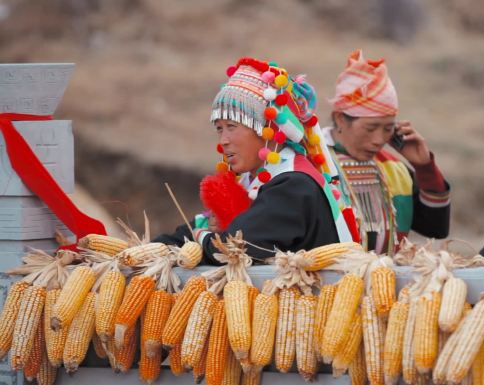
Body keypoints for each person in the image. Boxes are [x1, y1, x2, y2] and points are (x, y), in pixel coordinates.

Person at [155, 57, 354, 263]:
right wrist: (153, 248)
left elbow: (231, 251)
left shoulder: (293, 186)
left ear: (267, 129)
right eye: (219, 128)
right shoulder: (254, 182)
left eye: (232, 126)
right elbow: (190, 231)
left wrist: (199, 236)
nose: (223, 140)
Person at [324, 50, 450, 255]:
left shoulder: (393, 169)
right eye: (370, 128)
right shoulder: (313, 161)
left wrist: (424, 167)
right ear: (339, 118)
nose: (379, 140)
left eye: (388, 129)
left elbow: (435, 229)